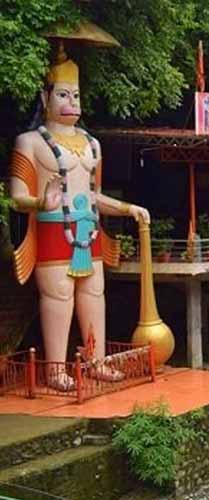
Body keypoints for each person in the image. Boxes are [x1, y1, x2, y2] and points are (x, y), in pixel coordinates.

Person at [9, 44, 150, 391]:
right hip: (54, 229)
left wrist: (126, 208)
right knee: (59, 297)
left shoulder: (92, 144)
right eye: (63, 94)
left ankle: (95, 361)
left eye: (76, 94)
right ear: (45, 98)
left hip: (88, 230)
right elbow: (15, 199)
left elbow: (94, 195)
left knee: (94, 294)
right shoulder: (29, 142)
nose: (72, 101)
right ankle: (57, 370)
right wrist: (42, 201)